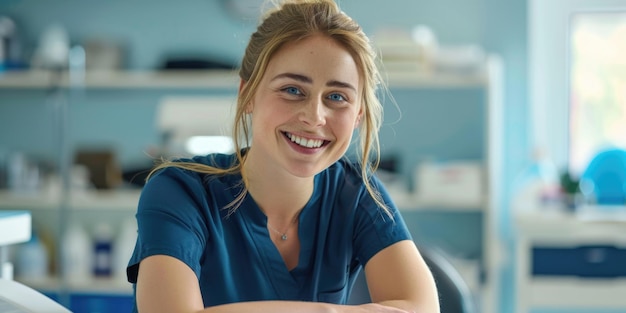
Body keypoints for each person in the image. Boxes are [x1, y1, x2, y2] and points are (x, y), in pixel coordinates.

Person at [126, 0, 440, 312]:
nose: (315, 117)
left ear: (358, 114)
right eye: (292, 90)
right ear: (247, 95)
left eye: (336, 97)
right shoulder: (180, 192)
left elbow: (422, 309)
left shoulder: (357, 193)